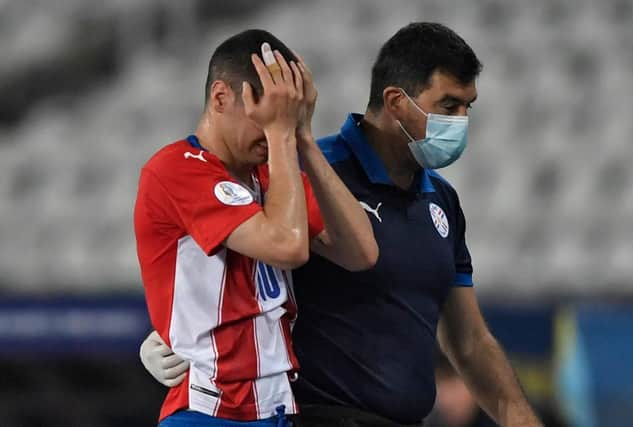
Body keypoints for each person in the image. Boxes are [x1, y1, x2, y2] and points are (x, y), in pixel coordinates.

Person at [140, 23, 543, 426]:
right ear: (396, 101)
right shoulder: (277, 169)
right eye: (449, 106)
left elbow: (464, 336)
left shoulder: (440, 199)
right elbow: (250, 256)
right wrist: (170, 334)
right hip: (291, 412)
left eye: (466, 108)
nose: (460, 122)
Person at [134, 29, 377, 427]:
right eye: (262, 115)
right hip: (209, 410)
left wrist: (304, 138)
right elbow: (288, 246)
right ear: (219, 97)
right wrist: (282, 136)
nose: (270, 129)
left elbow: (361, 251)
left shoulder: (270, 175)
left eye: (281, 116)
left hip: (277, 408)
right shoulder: (176, 168)